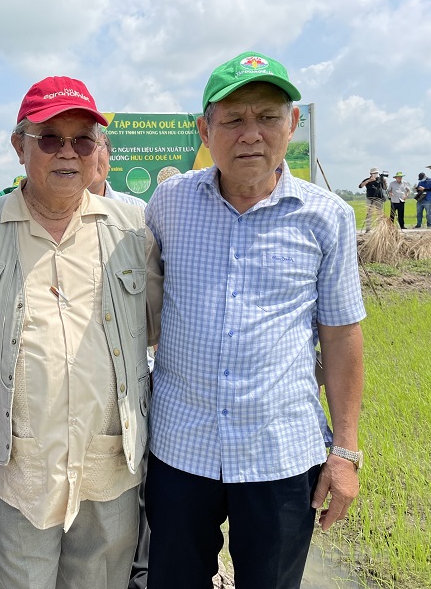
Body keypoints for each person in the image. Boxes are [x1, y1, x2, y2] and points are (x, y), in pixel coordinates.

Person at [145, 51, 366, 589]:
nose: (251, 134)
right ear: (205, 129)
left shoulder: (326, 216)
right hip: (180, 448)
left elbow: (341, 336)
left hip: (280, 454)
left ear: (291, 124)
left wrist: (345, 451)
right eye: (234, 119)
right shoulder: (169, 203)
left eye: (268, 117)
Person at [0, 75, 163, 589]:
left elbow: (154, 332)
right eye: (49, 138)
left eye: (82, 139)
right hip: (20, 466)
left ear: (98, 151)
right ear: (19, 147)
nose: (67, 153)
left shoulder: (134, 233)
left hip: (107, 464)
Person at [87, 129, 151, 589]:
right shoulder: (25, 221)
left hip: (126, 397)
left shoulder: (137, 220)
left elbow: (159, 310)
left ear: (106, 157)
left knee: (133, 515)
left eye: (91, 146)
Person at [359, 166, 386, 231]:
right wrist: (369, 181)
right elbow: (360, 186)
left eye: (376, 173)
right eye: (374, 173)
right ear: (371, 174)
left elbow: (384, 188)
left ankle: (380, 229)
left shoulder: (380, 180)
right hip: (370, 198)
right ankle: (368, 229)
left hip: (379, 198)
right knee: (369, 214)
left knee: (379, 214)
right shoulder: (367, 180)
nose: (375, 174)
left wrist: (385, 182)